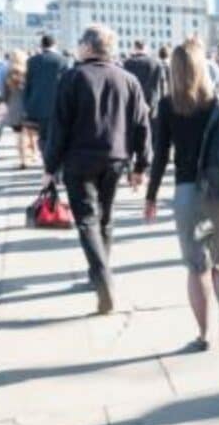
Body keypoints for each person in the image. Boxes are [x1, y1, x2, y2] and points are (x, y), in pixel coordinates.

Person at [42, 25, 152, 314]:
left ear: (89, 48)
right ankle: (99, 272)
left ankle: (102, 279)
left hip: (79, 160)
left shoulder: (72, 78)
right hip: (116, 159)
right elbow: (142, 124)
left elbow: (58, 128)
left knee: (88, 221)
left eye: (81, 43)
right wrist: (142, 164)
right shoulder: (128, 80)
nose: (79, 48)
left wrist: (50, 167)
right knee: (106, 215)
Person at [145, 38, 219, 350]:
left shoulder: (168, 106)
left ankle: (203, 335)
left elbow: (159, 155)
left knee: (198, 266)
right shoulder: (217, 103)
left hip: (188, 194)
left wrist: (151, 196)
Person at [24, 35, 71, 155]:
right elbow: (67, 85)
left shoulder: (31, 61)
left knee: (42, 137)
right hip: (57, 106)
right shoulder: (63, 60)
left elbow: (27, 85)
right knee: (57, 136)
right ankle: (52, 164)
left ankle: (45, 160)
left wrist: (27, 107)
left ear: (42, 45)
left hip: (37, 106)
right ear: (55, 44)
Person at [0, 50, 38, 169]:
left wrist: (7, 103)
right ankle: (34, 154)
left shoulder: (8, 74)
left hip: (14, 108)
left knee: (19, 135)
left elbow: (5, 93)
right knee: (31, 133)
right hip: (28, 107)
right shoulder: (29, 72)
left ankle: (23, 160)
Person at [123, 39, 167, 121]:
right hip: (152, 106)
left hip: (132, 106)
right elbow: (162, 86)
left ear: (134, 48)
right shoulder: (157, 63)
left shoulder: (127, 63)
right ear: (146, 48)